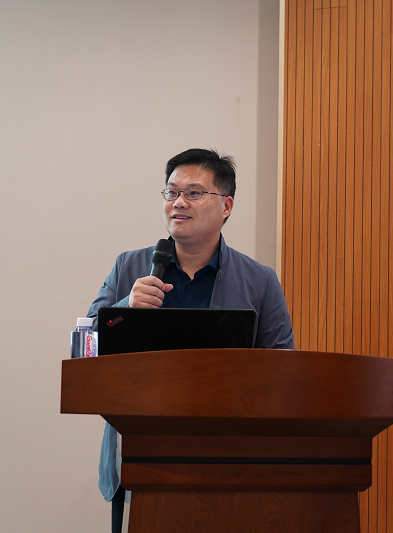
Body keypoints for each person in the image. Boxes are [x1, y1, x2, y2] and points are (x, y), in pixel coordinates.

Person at [85, 148, 295, 533]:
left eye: (194, 193)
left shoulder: (260, 280)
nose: (179, 202)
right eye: (172, 192)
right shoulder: (128, 266)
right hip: (138, 456)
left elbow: (283, 371)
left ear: (226, 205)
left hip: (227, 459)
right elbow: (85, 346)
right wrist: (125, 307)